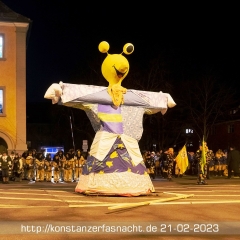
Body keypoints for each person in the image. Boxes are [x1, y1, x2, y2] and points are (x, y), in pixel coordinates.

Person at [44, 41, 176, 196]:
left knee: (127, 159)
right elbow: (79, 96)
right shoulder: (98, 96)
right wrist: (62, 91)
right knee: (107, 158)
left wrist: (162, 100)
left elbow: (149, 101)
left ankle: (125, 185)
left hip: (126, 139)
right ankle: (102, 185)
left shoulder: (133, 98)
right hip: (107, 137)